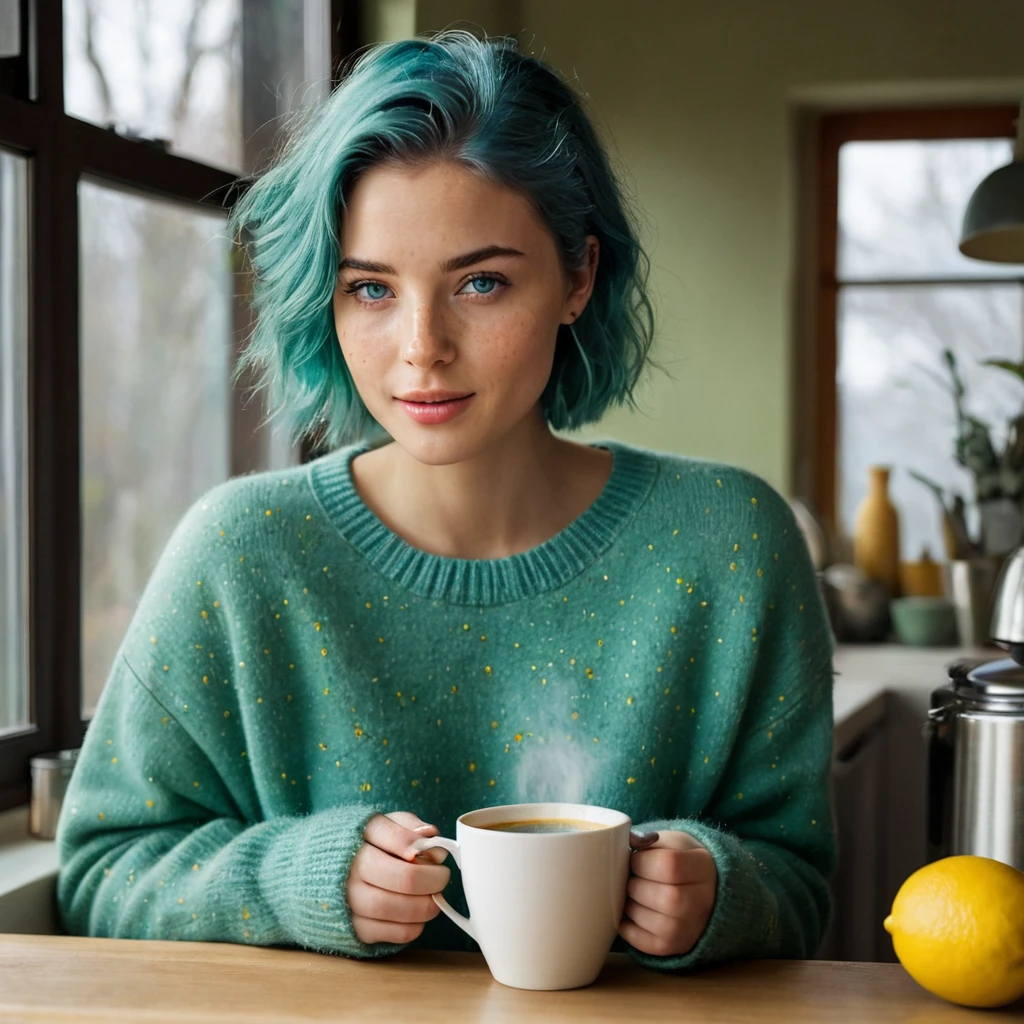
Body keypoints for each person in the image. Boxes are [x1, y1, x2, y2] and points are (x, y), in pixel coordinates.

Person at [57, 29, 836, 970]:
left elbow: (800, 880)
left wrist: (719, 892)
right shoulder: (240, 551)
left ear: (579, 275)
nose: (422, 346)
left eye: (480, 282)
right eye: (372, 290)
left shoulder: (732, 544)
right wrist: (298, 878)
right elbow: (100, 872)